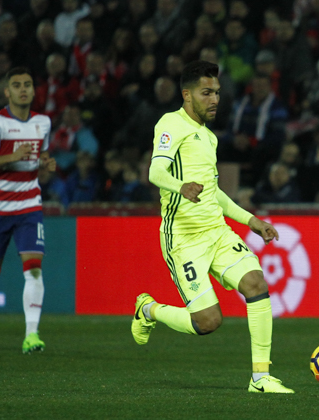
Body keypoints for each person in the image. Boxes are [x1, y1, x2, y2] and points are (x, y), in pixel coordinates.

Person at [131, 60, 294, 394]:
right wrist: (180, 186)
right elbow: (155, 173)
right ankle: (148, 309)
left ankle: (260, 378)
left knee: (255, 282)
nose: (215, 99)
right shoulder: (170, 124)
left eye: (217, 93)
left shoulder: (209, 137)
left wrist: (251, 221)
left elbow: (215, 192)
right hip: (183, 239)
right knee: (208, 322)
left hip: (216, 232)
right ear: (187, 95)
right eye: (206, 93)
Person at [0, 66, 56, 354]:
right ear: (7, 91)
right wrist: (10, 157)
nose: (23, 89)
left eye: (27, 84)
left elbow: (38, 155)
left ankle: (32, 335)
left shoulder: (43, 122)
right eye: (16, 85)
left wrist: (44, 162)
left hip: (29, 204)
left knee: (34, 268)